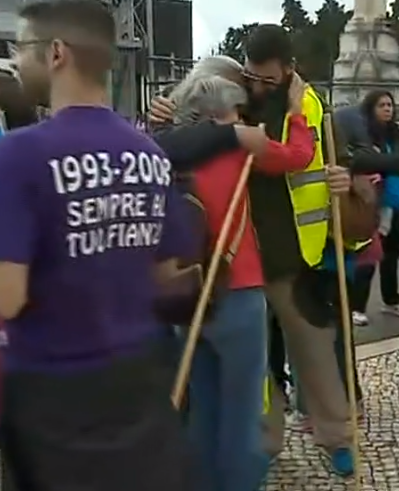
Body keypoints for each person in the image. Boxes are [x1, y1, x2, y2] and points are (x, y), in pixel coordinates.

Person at [0, 0, 194, 490]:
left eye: (21, 48)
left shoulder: (20, 153)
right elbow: (168, 275)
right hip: (138, 379)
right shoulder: (148, 153)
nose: (16, 62)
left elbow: (5, 297)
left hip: (51, 392)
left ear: (56, 52)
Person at [150, 23, 356, 475]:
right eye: (251, 77)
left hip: (288, 254)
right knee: (257, 371)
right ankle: (262, 445)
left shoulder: (309, 105)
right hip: (235, 263)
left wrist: (343, 177)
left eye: (268, 79)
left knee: (312, 350)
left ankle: (336, 436)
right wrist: (166, 114)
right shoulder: (230, 110)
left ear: (289, 70)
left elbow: (325, 157)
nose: (257, 87)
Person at [168, 68, 311, 491]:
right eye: (236, 111)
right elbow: (297, 156)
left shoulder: (174, 156)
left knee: (204, 410)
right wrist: (296, 112)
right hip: (238, 290)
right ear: (222, 113)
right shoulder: (240, 148)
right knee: (242, 416)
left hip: (187, 296)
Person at [345, 90, 399, 325]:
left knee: (391, 255)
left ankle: (391, 300)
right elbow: (363, 162)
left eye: (389, 105)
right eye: (381, 105)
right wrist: (391, 164)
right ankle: (357, 306)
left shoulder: (396, 136)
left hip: (396, 200)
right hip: (375, 202)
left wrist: (389, 164)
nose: (387, 109)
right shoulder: (365, 134)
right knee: (369, 255)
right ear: (371, 109)